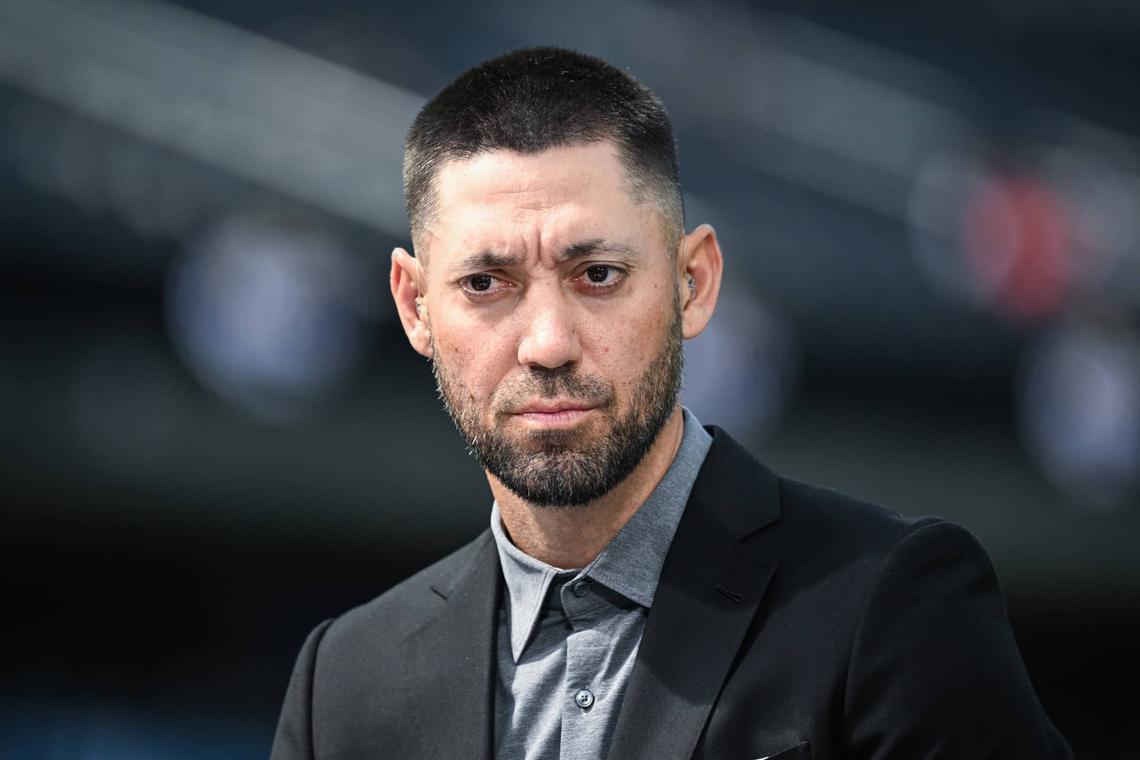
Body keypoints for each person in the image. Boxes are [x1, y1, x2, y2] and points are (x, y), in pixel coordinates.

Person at [271, 47, 1072, 760]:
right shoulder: (344, 683)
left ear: (693, 284)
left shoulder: (894, 607)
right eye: (486, 284)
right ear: (414, 307)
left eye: (598, 276)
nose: (547, 342)